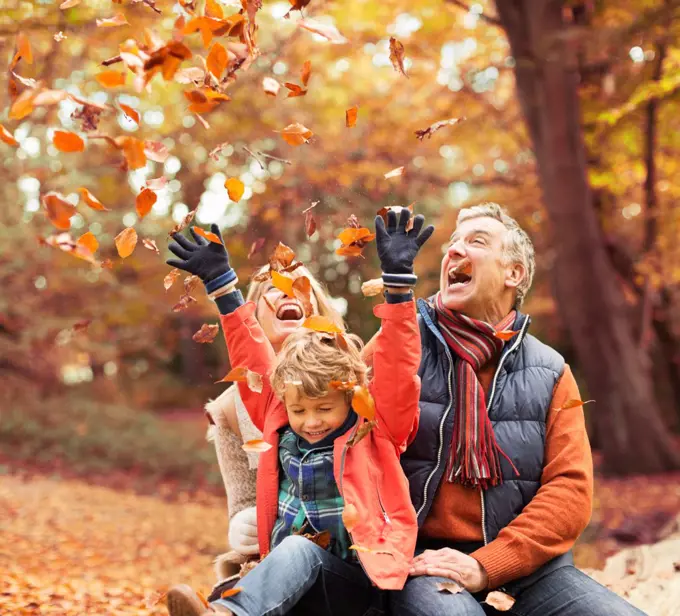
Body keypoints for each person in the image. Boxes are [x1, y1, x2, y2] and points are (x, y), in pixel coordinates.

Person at [164, 209, 435, 616]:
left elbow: (398, 366)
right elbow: (251, 358)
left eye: (324, 408)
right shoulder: (277, 411)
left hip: (356, 583)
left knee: (299, 552)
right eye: (299, 410)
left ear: (349, 396)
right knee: (290, 557)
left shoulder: (373, 423)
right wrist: (221, 285)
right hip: (288, 583)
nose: (310, 421)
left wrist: (398, 287)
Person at [388, 202, 645, 616]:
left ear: (514, 274)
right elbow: (329, 416)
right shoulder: (401, 347)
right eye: (452, 243)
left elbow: (569, 493)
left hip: (528, 568)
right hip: (425, 561)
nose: (454, 251)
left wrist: (488, 565)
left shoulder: (550, 371)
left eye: (476, 242)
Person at [204, 264, 344, 580]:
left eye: (299, 287)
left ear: (319, 312)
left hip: (351, 552)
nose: (286, 291)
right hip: (277, 552)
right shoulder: (230, 410)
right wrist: (242, 523)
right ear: (252, 318)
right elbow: (242, 501)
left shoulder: (354, 380)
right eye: (272, 288)